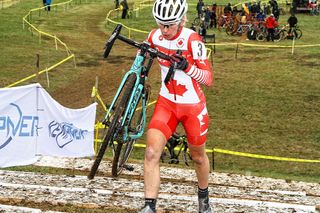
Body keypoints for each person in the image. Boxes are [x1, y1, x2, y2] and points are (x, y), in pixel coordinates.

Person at [139, 0, 213, 212]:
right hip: (167, 104)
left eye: (169, 24)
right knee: (152, 152)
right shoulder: (155, 35)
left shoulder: (193, 39)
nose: (165, 29)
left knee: (198, 157)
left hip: (192, 108)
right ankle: (149, 206)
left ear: (181, 20)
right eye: (161, 24)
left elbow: (208, 78)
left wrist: (188, 67)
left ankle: (204, 199)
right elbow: (142, 54)